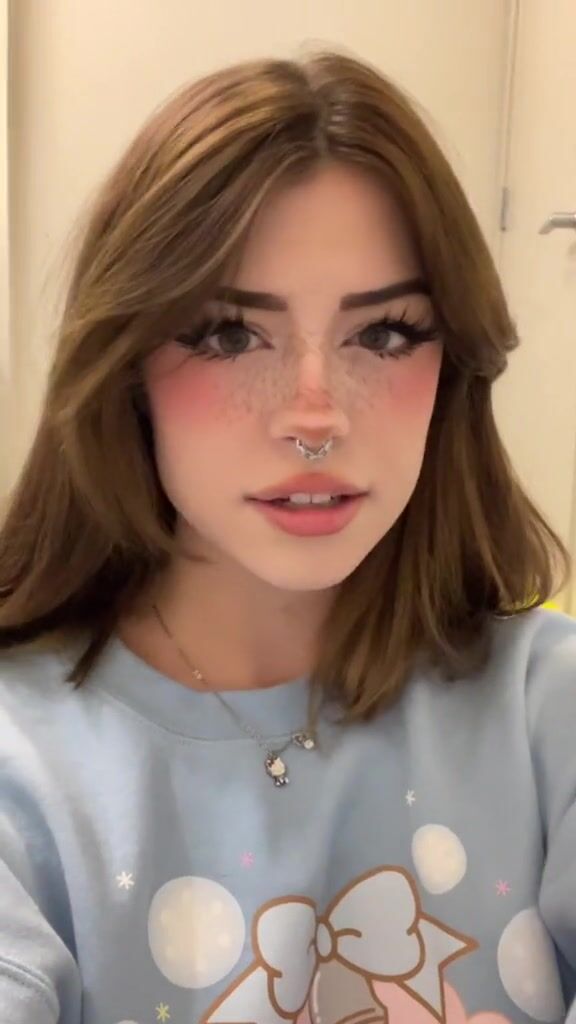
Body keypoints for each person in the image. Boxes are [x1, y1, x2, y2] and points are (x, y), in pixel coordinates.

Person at [0, 47, 574, 1024]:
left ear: (453, 368)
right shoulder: (23, 765)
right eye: (229, 334)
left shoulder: (547, 710)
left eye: (384, 333)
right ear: (126, 366)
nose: (315, 418)